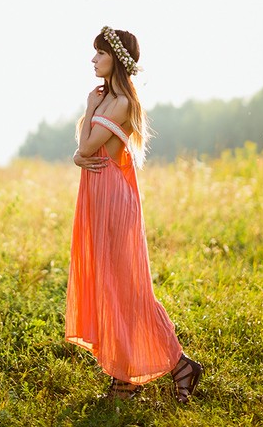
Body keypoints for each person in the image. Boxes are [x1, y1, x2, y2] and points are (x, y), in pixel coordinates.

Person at [65, 26, 203, 403]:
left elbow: (89, 148)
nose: (93, 60)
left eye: (100, 54)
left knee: (128, 287)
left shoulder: (120, 103)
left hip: (113, 199)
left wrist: (89, 113)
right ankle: (138, 375)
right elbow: (87, 151)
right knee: (112, 286)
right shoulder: (109, 99)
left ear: (117, 61)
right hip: (98, 195)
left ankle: (157, 371)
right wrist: (83, 145)